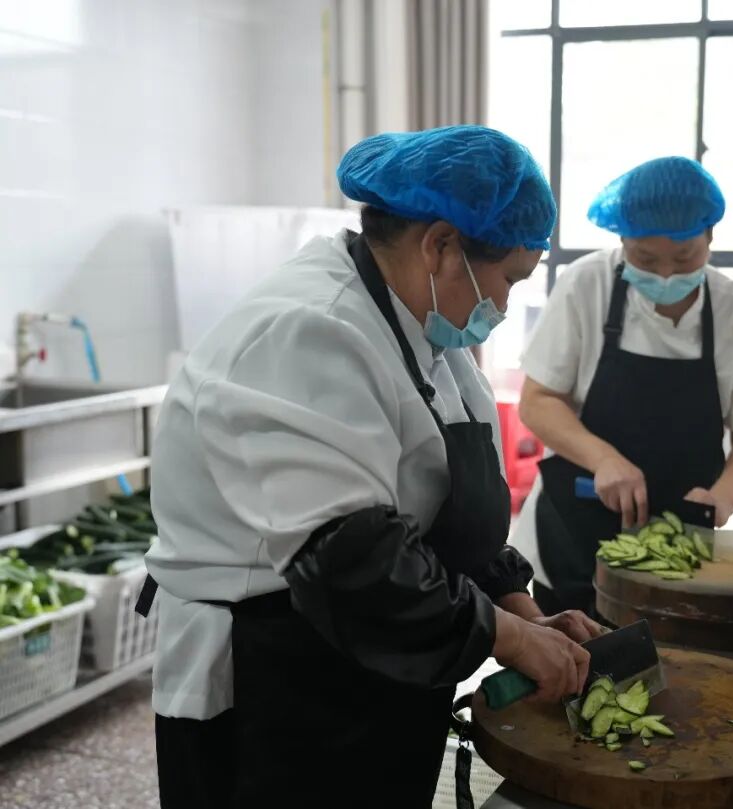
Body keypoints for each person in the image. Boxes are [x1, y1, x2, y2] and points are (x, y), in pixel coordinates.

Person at [139, 125, 604, 808]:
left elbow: (441, 503)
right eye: (508, 279)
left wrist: (518, 606)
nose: (505, 306)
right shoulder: (310, 330)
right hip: (275, 680)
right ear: (440, 245)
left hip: (372, 656)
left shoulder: (421, 326)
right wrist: (504, 638)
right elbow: (351, 561)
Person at [511, 156, 733, 618]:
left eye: (684, 257)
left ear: (710, 237)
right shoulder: (586, 286)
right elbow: (538, 401)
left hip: (681, 542)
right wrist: (604, 459)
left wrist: (724, 497)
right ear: (622, 241)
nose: (666, 275)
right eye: (646, 259)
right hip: (572, 530)